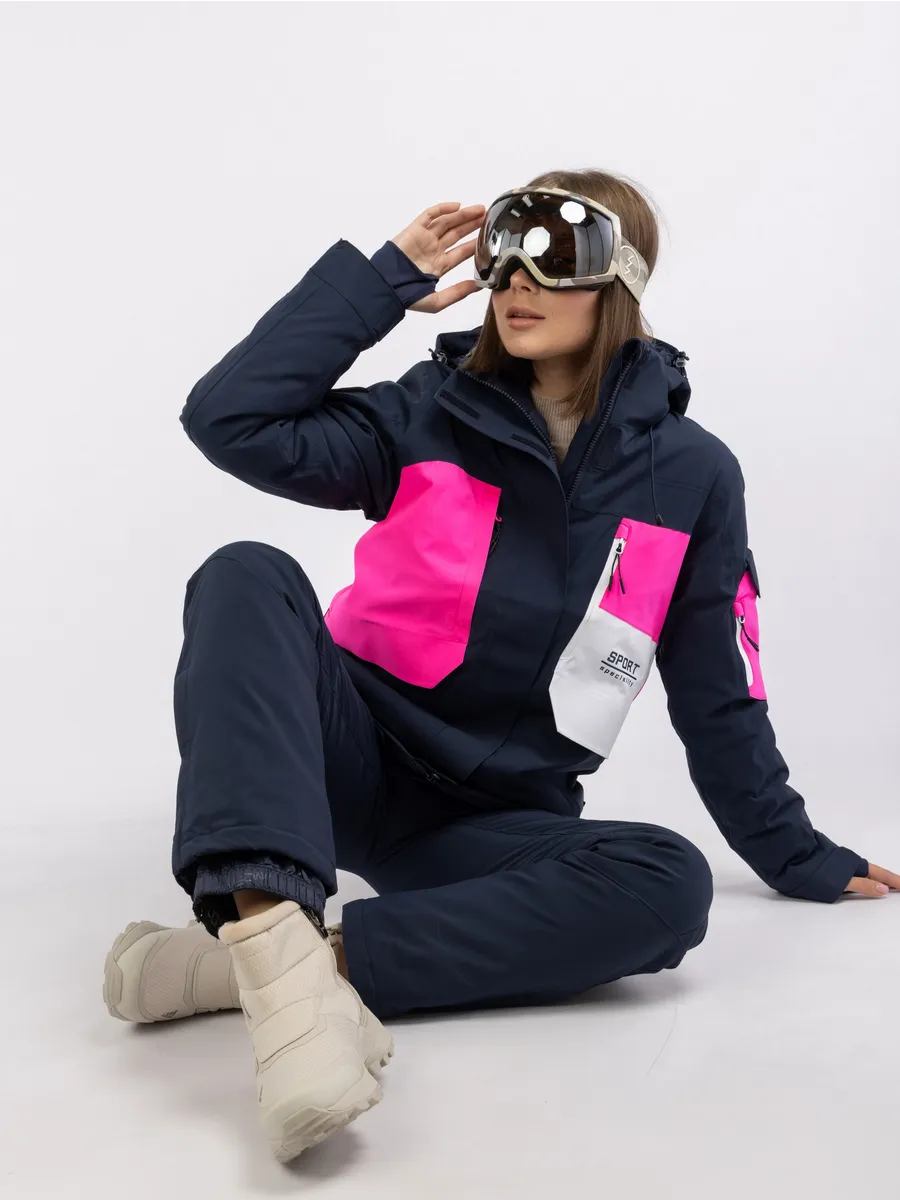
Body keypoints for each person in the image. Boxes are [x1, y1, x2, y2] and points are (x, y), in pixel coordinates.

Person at [102, 169, 898, 1163]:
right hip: (344, 763)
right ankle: (280, 966)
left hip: (488, 824)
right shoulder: (425, 412)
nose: (517, 278)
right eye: (503, 252)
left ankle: (256, 971)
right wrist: (381, 282)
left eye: (555, 253)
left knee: (667, 885)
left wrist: (793, 852)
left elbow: (719, 691)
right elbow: (230, 419)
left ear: (620, 280)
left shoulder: (693, 474)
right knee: (245, 573)